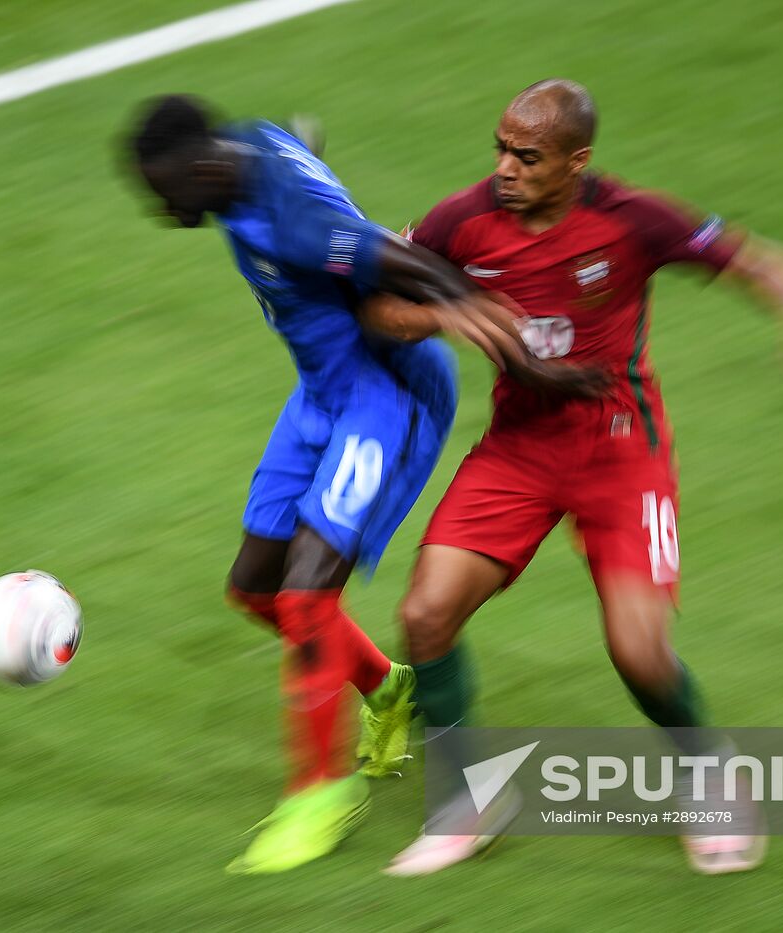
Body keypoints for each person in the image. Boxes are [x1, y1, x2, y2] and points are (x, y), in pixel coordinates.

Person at [359, 79, 783, 876]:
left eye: (527, 156)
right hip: (518, 450)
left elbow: (753, 260)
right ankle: (467, 801)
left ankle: (711, 772)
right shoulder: (462, 219)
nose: (505, 167)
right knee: (425, 612)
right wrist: (451, 314)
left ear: (576, 161)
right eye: (501, 148)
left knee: (640, 650)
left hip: (621, 453)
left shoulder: (633, 218)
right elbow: (378, 308)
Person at [121, 95, 604, 875]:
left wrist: (520, 354)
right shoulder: (243, 147)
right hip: (321, 394)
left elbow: (410, 268)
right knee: (254, 588)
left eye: (164, 192)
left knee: (308, 594)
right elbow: (293, 144)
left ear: (204, 168)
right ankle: (388, 690)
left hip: (386, 397)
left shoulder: (298, 226)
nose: (160, 210)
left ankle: (321, 794)